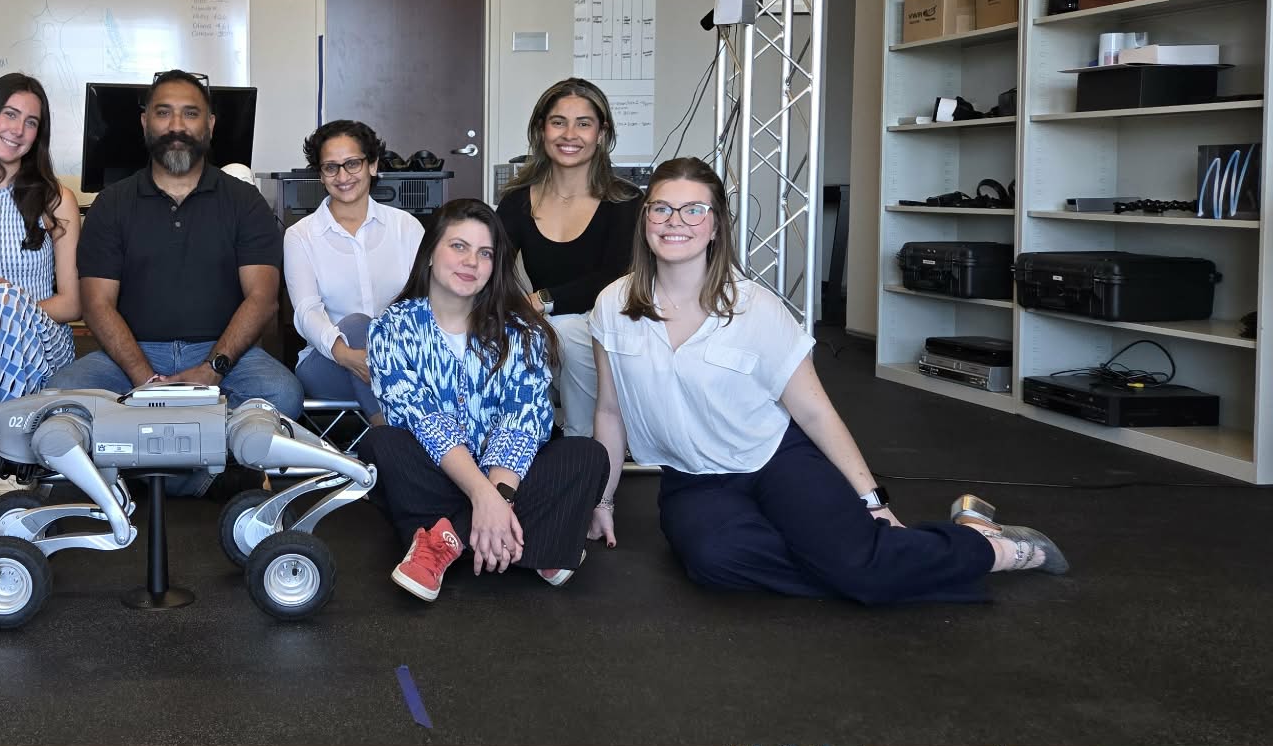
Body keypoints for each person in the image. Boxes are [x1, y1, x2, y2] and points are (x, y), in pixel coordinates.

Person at [587, 157, 1068, 604]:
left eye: (694, 210)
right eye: (662, 209)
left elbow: (815, 411)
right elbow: (610, 412)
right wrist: (602, 499)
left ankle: (993, 548)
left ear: (715, 225)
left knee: (857, 567)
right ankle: (869, 560)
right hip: (693, 483)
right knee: (717, 561)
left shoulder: (756, 309)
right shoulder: (613, 304)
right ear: (645, 218)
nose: (676, 222)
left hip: (774, 461)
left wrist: (873, 501)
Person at [46, 70, 303, 492]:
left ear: (211, 124)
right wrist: (145, 380)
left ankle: (141, 471)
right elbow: (96, 304)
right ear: (144, 122)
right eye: (164, 113)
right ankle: (204, 474)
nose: (177, 127)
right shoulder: (112, 204)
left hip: (222, 356)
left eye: (190, 114)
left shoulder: (245, 203)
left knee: (282, 393)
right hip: (131, 353)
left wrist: (212, 370)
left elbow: (262, 299)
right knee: (62, 395)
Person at [357, 198, 611, 603]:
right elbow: (426, 421)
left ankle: (442, 542)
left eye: (485, 253)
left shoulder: (521, 331)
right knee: (383, 446)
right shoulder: (390, 328)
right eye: (458, 246)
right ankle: (533, 542)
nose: (471, 262)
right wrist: (482, 496)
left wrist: (499, 497)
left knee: (587, 455)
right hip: (435, 472)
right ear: (430, 254)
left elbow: (523, 422)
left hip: (509, 479)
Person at [0, 72, 82, 502]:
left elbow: (71, 302)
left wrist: (11, 306)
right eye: (10, 114)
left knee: (3, 301)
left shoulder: (55, 198)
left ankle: (11, 457)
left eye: (31, 122)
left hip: (40, 340)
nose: (18, 130)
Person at [496, 77, 641, 437]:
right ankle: (518, 444)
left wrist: (542, 301)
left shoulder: (626, 201)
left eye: (584, 123)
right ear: (541, 130)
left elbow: (614, 278)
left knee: (571, 330)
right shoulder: (516, 201)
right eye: (558, 122)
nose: (569, 134)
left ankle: (585, 449)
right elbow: (492, 265)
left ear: (602, 133)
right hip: (542, 327)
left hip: (608, 324)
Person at [281, 119, 422, 423]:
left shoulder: (406, 227)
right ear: (321, 175)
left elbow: (424, 302)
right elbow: (306, 311)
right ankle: (391, 438)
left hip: (402, 362)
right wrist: (343, 352)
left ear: (372, 165)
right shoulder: (300, 236)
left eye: (353, 164)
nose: (342, 176)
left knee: (378, 332)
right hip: (328, 364)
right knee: (359, 325)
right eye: (331, 167)